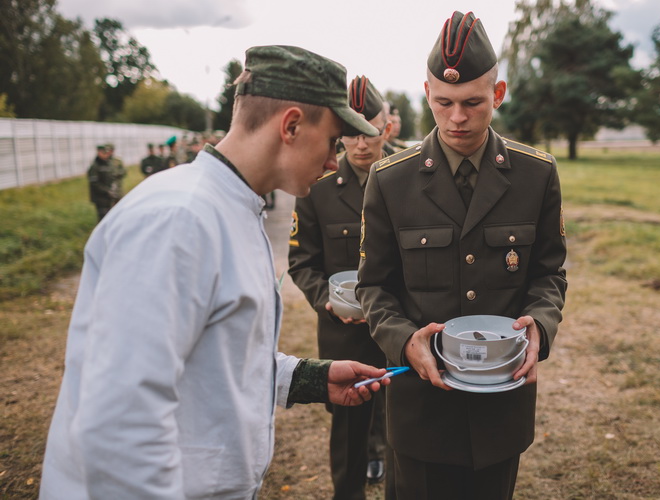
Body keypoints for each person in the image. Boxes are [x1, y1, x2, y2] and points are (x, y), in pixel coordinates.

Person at [39, 45, 389, 500]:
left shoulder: (229, 209)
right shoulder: (177, 221)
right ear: (291, 125)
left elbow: (215, 359)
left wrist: (309, 379)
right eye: (331, 142)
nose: (331, 161)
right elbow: (121, 425)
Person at [357, 11, 567, 500]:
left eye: (473, 102)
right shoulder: (391, 179)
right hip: (420, 407)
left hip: (501, 407)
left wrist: (540, 323)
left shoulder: (536, 175)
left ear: (498, 94)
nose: (456, 118)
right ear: (427, 92)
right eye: (443, 102)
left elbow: (549, 273)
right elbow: (372, 285)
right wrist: (403, 339)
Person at [288, 75, 393, 500]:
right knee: (349, 429)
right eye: (350, 133)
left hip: (400, 328)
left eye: (370, 131)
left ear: (386, 127)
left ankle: (382, 453)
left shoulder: (411, 175)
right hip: (345, 332)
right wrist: (326, 300)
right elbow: (302, 262)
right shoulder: (318, 187)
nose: (361, 144)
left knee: (399, 416)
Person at [87, 144, 124, 221]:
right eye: (104, 153)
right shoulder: (95, 166)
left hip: (108, 197)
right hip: (100, 198)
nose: (106, 155)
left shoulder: (108, 163)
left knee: (110, 217)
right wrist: (107, 191)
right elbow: (94, 183)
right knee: (103, 218)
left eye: (106, 153)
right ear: (99, 152)